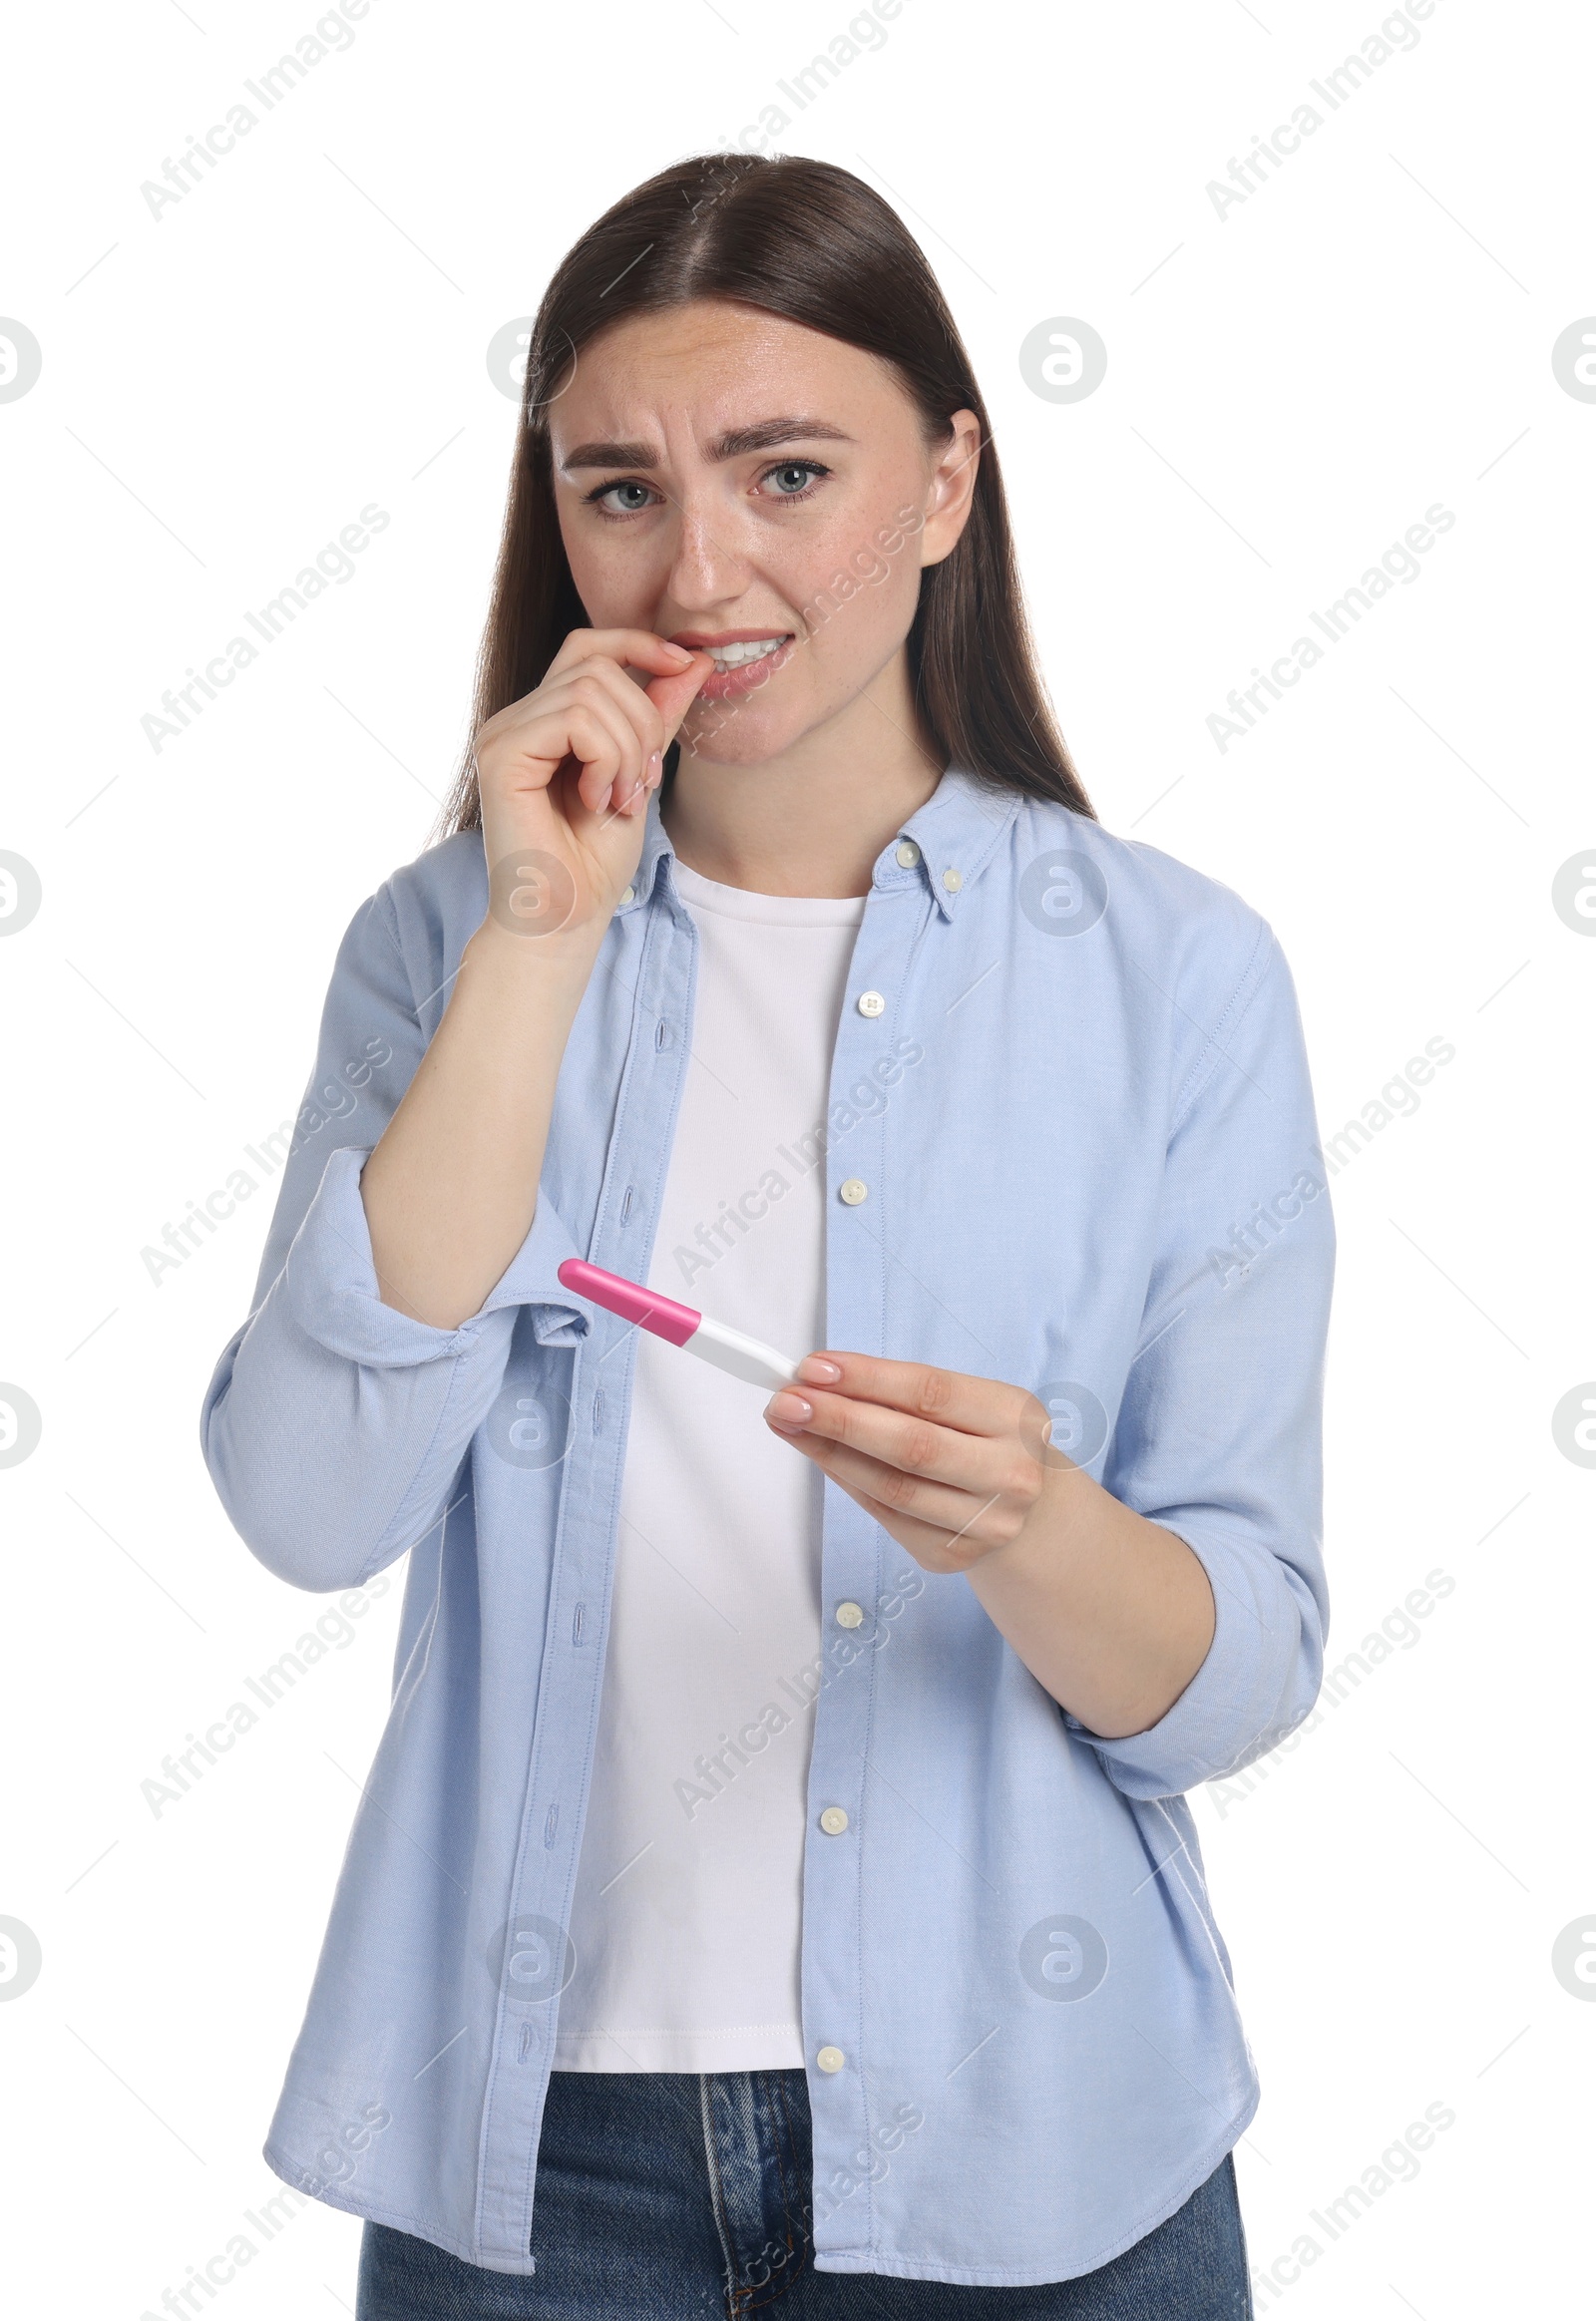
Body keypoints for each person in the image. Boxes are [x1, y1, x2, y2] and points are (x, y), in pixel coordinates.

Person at [200, 152, 1334, 2320]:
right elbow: (303, 1507)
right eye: (616, 489)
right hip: (529, 2162)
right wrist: (538, 939)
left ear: (943, 484)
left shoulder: (1173, 979)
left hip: (1035, 2141)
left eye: (784, 470)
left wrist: (1024, 1528)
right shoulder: (436, 946)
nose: (698, 566)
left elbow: (1230, 1678)